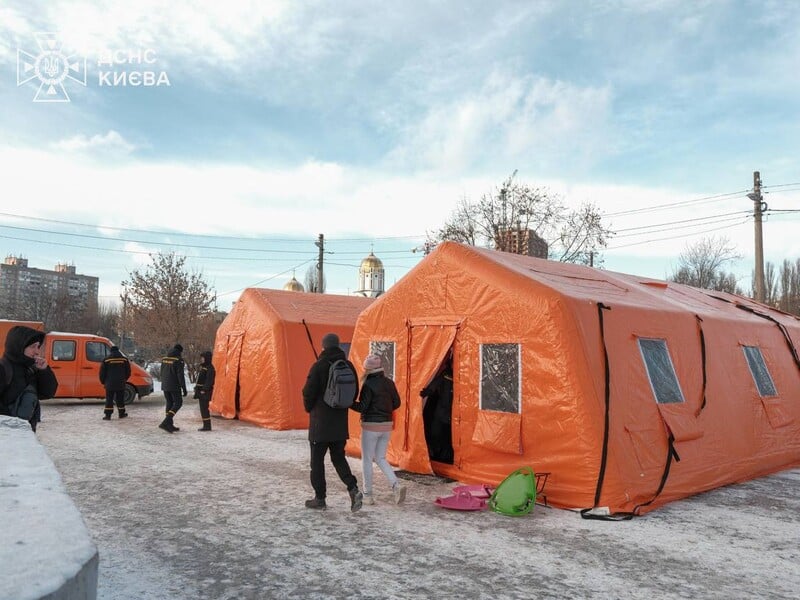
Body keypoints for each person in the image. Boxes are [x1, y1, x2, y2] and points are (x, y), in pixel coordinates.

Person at [301, 332, 363, 511]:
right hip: (339, 423)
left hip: (320, 424)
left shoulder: (319, 366)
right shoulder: (348, 365)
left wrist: (309, 408)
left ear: (324, 346)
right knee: (338, 458)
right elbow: (353, 393)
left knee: (317, 462)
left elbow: (308, 392)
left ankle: (320, 499)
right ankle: (353, 488)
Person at [351, 354, 405, 505]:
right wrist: (384, 410)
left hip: (371, 427)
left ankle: (368, 495)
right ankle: (396, 485)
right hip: (386, 426)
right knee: (380, 458)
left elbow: (363, 406)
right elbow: (397, 403)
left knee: (367, 460)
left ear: (367, 368)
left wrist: (349, 403)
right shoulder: (389, 382)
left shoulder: (367, 384)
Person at [0, 325, 58, 432]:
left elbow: (48, 393)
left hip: (26, 434)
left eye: (38, 347)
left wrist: (44, 371)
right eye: (33, 347)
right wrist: (13, 422)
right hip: (6, 437)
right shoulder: (3, 368)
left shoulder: (31, 369)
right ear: (19, 346)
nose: (37, 352)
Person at [158, 343, 187, 433]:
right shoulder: (178, 360)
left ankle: (169, 425)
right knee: (178, 403)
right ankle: (165, 422)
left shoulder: (164, 359)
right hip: (174, 386)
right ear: (180, 351)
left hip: (165, 385)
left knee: (169, 403)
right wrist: (184, 388)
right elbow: (180, 376)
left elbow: (161, 372)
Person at [99, 345, 131, 420]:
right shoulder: (124, 360)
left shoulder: (106, 360)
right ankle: (121, 414)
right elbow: (128, 372)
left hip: (109, 383)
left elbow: (102, 373)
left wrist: (103, 381)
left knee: (109, 399)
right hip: (120, 383)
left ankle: (108, 415)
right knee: (120, 399)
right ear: (118, 351)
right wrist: (124, 379)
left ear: (111, 351)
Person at [194, 350, 215, 431]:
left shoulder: (210, 368)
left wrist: (204, 389)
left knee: (204, 408)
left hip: (205, 392)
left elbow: (209, 380)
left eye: (203, 358)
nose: (201, 359)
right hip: (201, 391)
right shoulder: (204, 367)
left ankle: (207, 426)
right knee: (203, 409)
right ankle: (206, 425)